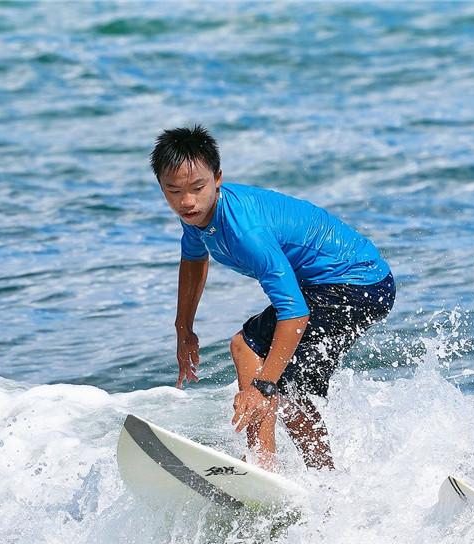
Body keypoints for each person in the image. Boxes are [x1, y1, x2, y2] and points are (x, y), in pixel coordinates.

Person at [150, 125, 395, 471]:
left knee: (260, 360)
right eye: (173, 190)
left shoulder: (247, 233)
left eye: (197, 188)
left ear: (218, 178)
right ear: (161, 187)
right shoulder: (196, 217)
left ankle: (280, 466)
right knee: (271, 370)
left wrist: (263, 385)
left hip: (357, 283)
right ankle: (290, 467)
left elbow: (294, 313)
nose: (186, 201)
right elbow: (193, 260)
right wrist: (183, 328)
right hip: (347, 283)